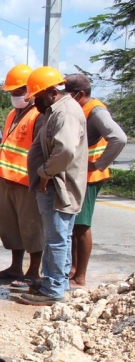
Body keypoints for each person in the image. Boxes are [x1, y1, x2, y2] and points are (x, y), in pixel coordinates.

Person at [18, 67, 88, 306]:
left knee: (56, 238)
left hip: (59, 186)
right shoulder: (56, 110)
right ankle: (56, 282)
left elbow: (65, 150)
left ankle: (54, 288)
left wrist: (46, 173)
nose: (34, 102)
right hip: (54, 184)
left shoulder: (65, 113)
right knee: (58, 237)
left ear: (50, 93)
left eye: (36, 97)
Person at [64, 73, 127, 288]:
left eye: (70, 95)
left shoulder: (96, 111)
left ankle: (80, 276)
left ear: (81, 94)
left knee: (81, 226)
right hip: (79, 174)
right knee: (74, 226)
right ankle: (73, 269)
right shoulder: (81, 107)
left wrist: (98, 164)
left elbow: (119, 138)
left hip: (90, 176)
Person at [0, 64, 44, 289]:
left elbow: (41, 149)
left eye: (19, 91)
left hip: (27, 183)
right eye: (12, 92)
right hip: (7, 179)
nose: (14, 96)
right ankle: (15, 266)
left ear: (30, 90)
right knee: (10, 227)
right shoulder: (13, 113)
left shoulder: (38, 115)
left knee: (31, 228)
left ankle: (34, 271)